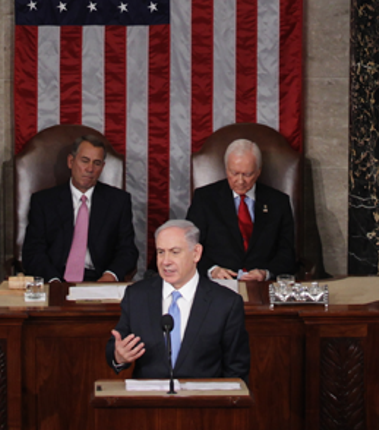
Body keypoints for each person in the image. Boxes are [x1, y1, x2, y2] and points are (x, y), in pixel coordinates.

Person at [107, 219, 250, 380]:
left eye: (175, 252)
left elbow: (237, 369)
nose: (165, 261)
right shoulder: (137, 295)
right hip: (149, 400)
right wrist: (119, 357)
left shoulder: (225, 303)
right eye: (161, 252)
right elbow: (116, 346)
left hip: (203, 401)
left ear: (196, 253)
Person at [22, 134, 139, 282]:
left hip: (99, 279)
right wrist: (53, 280)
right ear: (71, 161)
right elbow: (33, 251)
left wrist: (111, 275)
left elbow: (127, 250)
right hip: (55, 278)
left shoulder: (118, 201)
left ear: (102, 167)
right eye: (85, 161)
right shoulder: (44, 202)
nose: (90, 169)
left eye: (96, 163)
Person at [185, 138, 296, 282]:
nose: (240, 180)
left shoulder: (278, 202)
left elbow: (287, 252)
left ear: (258, 172)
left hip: (262, 285)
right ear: (226, 170)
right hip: (218, 285)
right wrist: (212, 270)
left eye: (247, 174)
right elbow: (189, 246)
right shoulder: (205, 199)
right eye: (234, 173)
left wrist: (266, 273)